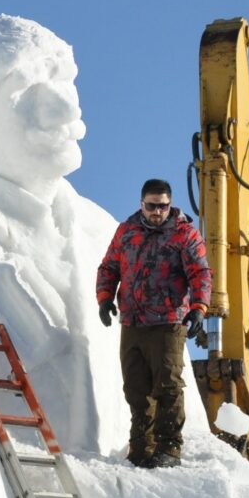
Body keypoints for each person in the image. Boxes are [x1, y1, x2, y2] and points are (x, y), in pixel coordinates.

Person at [0, 14, 129, 455]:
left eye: (65, 81)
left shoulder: (106, 235)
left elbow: (183, 419)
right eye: (27, 91)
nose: (66, 109)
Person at [96, 178, 212, 468]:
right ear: (142, 204)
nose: (157, 211)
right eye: (151, 206)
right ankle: (141, 447)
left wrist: (199, 307)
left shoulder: (184, 234)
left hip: (168, 322)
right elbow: (109, 266)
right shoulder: (127, 232)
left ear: (169, 204)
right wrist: (104, 298)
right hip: (133, 321)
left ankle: (169, 447)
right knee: (136, 387)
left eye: (162, 206)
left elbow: (200, 273)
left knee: (168, 384)